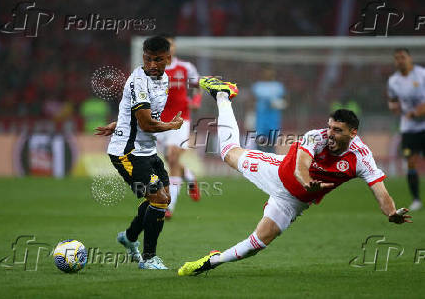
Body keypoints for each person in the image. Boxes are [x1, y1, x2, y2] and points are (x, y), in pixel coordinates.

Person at [177, 76, 412, 276]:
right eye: (330, 127)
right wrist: (307, 182)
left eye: (337, 130)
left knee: (256, 245)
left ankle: (212, 261)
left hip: (293, 200)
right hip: (277, 172)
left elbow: (379, 189)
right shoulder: (315, 137)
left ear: (353, 133)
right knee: (227, 153)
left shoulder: (361, 156)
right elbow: (301, 165)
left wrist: (392, 213)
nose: (330, 133)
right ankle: (223, 95)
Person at [95, 36, 183, 270]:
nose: (152, 64)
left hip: (147, 151)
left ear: (168, 59)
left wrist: (118, 122)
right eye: (148, 59)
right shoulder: (138, 81)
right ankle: (148, 258)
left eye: (158, 60)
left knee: (164, 197)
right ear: (142, 57)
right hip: (127, 153)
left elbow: (135, 111)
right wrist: (171, 126)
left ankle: (129, 237)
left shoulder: (163, 79)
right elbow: (146, 124)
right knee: (159, 200)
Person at [157, 34, 203, 219]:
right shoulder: (153, 69)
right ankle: (189, 176)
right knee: (171, 160)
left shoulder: (186, 67)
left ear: (174, 48)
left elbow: (197, 86)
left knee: (172, 157)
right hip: (159, 121)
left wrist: (196, 100)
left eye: (171, 45)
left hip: (181, 119)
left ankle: (169, 206)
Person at [387, 48, 425, 211]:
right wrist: (394, 107)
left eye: (402, 57)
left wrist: (417, 112)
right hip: (408, 128)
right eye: (397, 58)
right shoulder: (393, 81)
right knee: (410, 162)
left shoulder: (422, 74)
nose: (400, 61)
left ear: (410, 58)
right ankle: (416, 199)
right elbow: (393, 100)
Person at [251, 67, 287, 153]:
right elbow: (252, 100)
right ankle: (258, 158)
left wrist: (280, 104)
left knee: (272, 141)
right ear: (263, 74)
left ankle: (271, 158)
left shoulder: (278, 86)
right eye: (266, 73)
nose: (268, 75)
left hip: (273, 117)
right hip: (261, 117)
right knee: (260, 140)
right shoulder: (258, 86)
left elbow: (285, 100)